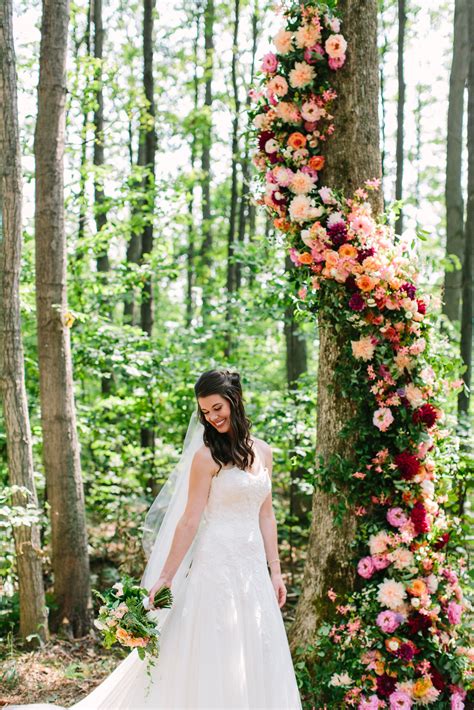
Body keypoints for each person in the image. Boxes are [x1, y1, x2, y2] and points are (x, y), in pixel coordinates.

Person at [8, 369, 302, 710]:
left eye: (217, 407)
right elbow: (189, 520)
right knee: (212, 644)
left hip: (252, 569)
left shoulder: (263, 452)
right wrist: (166, 576)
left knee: (254, 641)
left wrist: (275, 571)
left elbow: (266, 515)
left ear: (235, 400)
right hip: (216, 565)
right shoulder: (206, 457)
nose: (212, 417)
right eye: (205, 412)